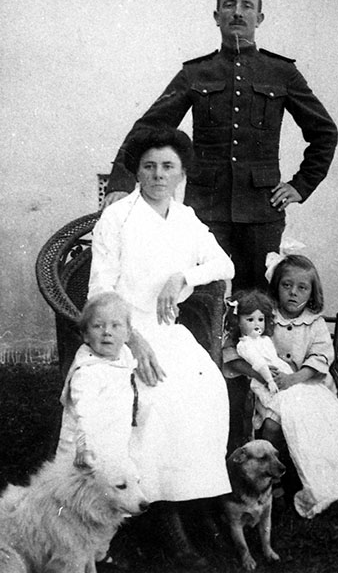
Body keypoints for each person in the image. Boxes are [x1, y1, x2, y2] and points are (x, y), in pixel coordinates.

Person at [103, 0, 338, 292]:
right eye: (229, 5)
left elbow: (324, 131)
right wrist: (120, 182)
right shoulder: (196, 73)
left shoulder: (282, 73)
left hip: (261, 210)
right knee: (197, 295)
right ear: (217, 17)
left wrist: (301, 185)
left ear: (260, 18)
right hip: (206, 209)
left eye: (247, 6)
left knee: (255, 300)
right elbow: (149, 128)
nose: (238, 12)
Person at [87, 126, 235, 569]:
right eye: (149, 166)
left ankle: (194, 499)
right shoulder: (117, 218)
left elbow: (223, 262)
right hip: (122, 333)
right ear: (137, 171)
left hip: (170, 332)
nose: (157, 175)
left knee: (208, 389)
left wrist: (183, 277)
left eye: (168, 166)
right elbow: (99, 291)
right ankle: (165, 518)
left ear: (181, 174)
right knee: (159, 398)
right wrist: (135, 340)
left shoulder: (185, 218)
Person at [223, 252, 338, 519]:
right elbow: (236, 346)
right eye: (286, 285)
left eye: (302, 287)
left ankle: (322, 474)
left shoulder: (314, 323)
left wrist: (294, 378)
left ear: (312, 293)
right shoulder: (264, 316)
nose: (293, 293)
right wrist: (260, 374)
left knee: (320, 422)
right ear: (276, 287)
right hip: (272, 390)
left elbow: (321, 357)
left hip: (307, 385)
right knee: (271, 426)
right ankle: (275, 483)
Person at [56, 291, 138, 467]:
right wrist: (84, 445)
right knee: (81, 486)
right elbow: (84, 411)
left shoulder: (123, 356)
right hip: (84, 447)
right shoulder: (87, 372)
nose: (107, 332)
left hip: (113, 439)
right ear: (85, 335)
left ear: (128, 334)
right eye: (98, 326)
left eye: (116, 326)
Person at [225, 288, 293, 398]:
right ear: (237, 322)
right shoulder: (242, 343)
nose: (257, 324)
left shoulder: (264, 339)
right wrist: (264, 375)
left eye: (261, 320)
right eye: (250, 320)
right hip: (249, 378)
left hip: (272, 372)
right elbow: (233, 361)